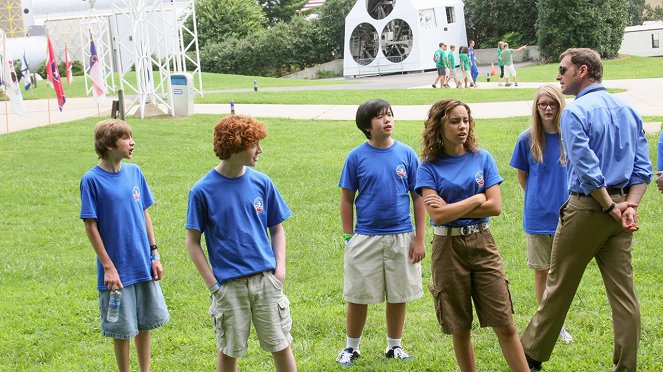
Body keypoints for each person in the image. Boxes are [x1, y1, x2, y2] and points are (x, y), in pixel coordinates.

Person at [521, 48, 653, 372]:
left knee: (558, 287)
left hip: (591, 207)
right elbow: (643, 169)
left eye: (562, 70)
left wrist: (610, 207)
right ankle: (626, 367)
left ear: (582, 71)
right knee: (624, 295)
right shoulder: (629, 110)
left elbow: (586, 168)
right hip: (620, 210)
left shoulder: (575, 113)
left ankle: (529, 358)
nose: (557, 76)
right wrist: (630, 205)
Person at [416, 99, 529, 372]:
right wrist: (477, 198)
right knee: (459, 326)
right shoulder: (428, 167)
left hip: (483, 243)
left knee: (505, 322)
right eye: (454, 121)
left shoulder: (482, 157)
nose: (462, 126)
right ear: (438, 126)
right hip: (447, 247)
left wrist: (457, 205)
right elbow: (437, 216)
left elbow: (496, 206)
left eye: (465, 120)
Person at [186, 115, 296, 372]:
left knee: (281, 345)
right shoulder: (202, 191)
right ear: (235, 145)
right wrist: (214, 285)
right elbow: (192, 243)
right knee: (228, 351)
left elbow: (277, 229)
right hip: (229, 287)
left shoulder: (262, 182)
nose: (260, 150)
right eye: (254, 144)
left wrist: (279, 271)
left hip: (266, 282)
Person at [336, 99, 426, 367]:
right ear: (366, 126)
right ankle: (352, 347)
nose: (387, 120)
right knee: (357, 295)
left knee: (399, 295)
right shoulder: (356, 157)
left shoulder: (407, 154)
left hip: (402, 236)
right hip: (366, 237)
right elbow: (346, 199)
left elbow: (418, 198)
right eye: (379, 117)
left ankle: (394, 346)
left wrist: (419, 238)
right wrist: (348, 237)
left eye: (389, 114)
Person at [80, 118, 169, 372]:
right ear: (108, 145)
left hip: (141, 261)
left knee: (144, 322)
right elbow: (90, 226)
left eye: (132, 136)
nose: (132, 142)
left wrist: (154, 253)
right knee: (122, 328)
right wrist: (108, 267)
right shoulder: (91, 180)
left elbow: (144, 213)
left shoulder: (135, 172)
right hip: (116, 269)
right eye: (126, 138)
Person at [509, 85, 573, 344]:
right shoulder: (527, 139)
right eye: (542, 104)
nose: (547, 108)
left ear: (560, 106)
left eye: (552, 104)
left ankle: (559, 322)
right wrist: (538, 197)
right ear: (536, 108)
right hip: (537, 217)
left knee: (563, 274)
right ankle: (550, 325)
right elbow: (522, 176)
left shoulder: (570, 135)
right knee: (542, 272)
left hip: (569, 214)